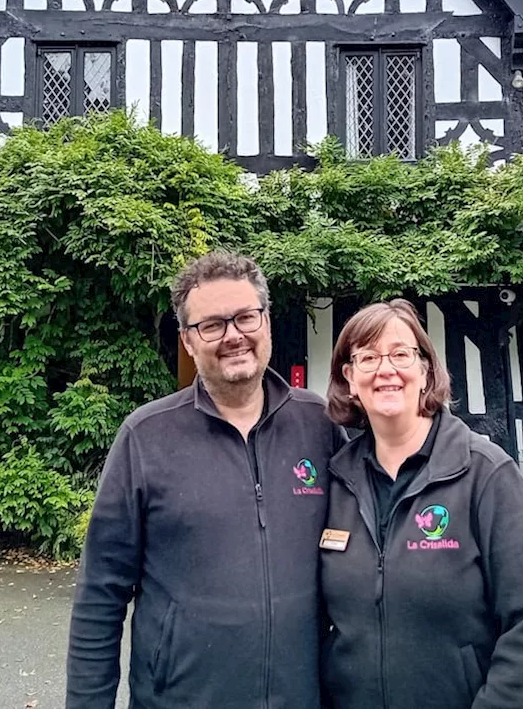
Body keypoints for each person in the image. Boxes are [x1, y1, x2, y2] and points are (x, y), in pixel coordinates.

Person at [66, 251, 343, 709]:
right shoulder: (146, 437)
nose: (233, 335)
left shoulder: (318, 425)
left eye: (245, 318)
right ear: (189, 342)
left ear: (266, 322)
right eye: (211, 325)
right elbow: (101, 596)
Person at [319, 299, 523, 709]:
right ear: (349, 377)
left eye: (400, 354)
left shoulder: (486, 474)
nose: (386, 369)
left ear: (424, 369)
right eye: (368, 357)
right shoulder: (338, 480)